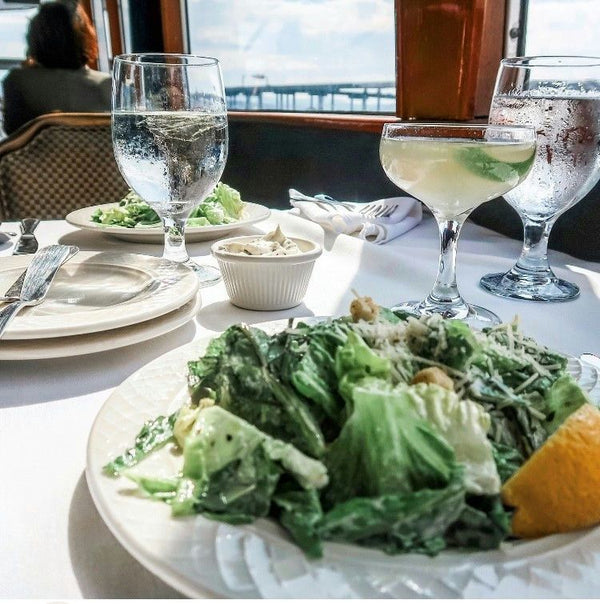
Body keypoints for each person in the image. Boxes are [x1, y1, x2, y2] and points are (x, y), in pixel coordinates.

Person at [1, 1, 111, 135]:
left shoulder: (17, 81)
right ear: (86, 36)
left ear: (34, 38)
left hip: (40, 154)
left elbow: (12, 131)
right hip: (98, 155)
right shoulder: (109, 85)